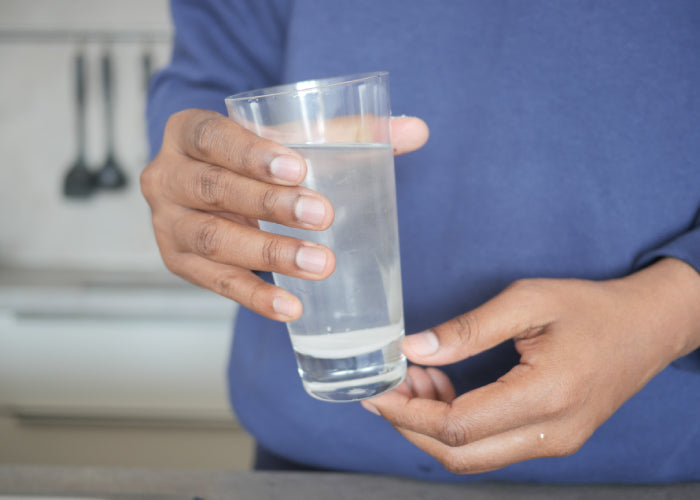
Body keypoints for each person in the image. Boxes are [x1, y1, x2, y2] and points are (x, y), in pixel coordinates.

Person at [142, 0, 700, 482]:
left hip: (660, 462)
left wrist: (671, 311)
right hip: (317, 464)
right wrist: (201, 177)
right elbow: (214, 80)